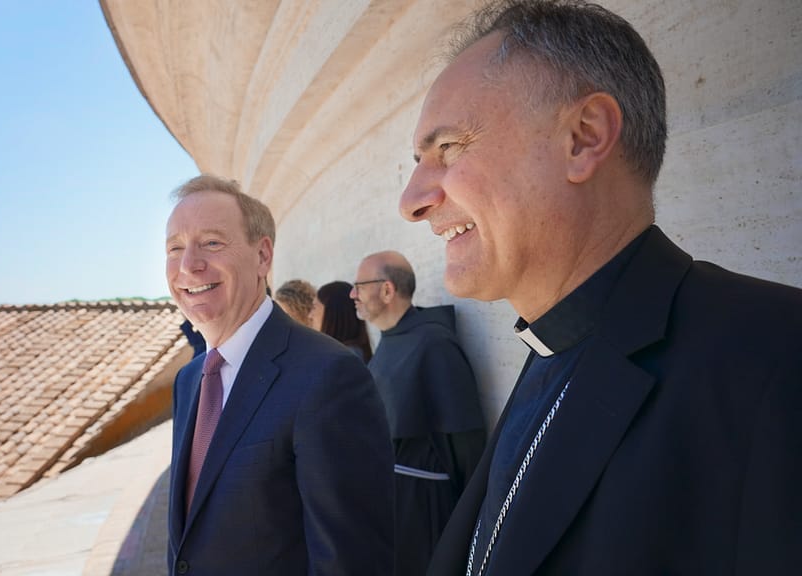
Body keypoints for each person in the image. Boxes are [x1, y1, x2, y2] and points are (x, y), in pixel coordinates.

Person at [399, 1, 802, 574]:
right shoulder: (549, 350)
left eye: (449, 149)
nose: (411, 201)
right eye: (418, 160)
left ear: (584, 139)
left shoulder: (777, 356)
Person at [164, 174, 394, 576]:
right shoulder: (188, 382)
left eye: (212, 242)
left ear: (263, 256)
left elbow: (351, 563)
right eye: (175, 248)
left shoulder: (329, 375)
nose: (189, 265)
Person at [352, 250, 485, 576]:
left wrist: (469, 524)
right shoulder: (390, 339)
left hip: (423, 508)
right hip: (393, 504)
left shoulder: (433, 344)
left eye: (359, 285)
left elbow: (466, 441)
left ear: (387, 290)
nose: (352, 294)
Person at [311, 280, 373, 361]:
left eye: (314, 307)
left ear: (333, 314)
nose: (310, 315)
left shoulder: (344, 358)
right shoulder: (343, 354)